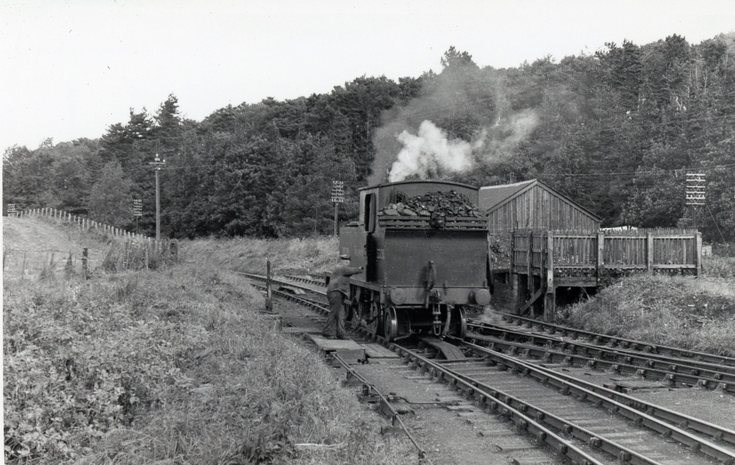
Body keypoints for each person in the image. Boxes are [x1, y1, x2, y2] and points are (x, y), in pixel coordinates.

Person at [322, 255, 363, 339]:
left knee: (341, 314)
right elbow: (352, 270)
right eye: (346, 261)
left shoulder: (341, 268)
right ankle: (327, 332)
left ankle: (341, 333)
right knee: (334, 313)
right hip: (335, 292)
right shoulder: (341, 268)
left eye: (348, 261)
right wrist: (361, 268)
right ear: (342, 261)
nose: (347, 263)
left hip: (339, 293)